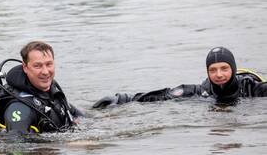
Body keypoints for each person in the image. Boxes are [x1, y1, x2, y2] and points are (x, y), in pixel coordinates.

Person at [93, 47, 267, 108]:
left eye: (224, 68)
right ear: (207, 72)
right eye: (213, 70)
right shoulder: (202, 91)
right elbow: (163, 95)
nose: (219, 74)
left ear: (233, 69)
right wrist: (124, 98)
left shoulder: (251, 88)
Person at [0, 41, 83, 134]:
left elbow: (75, 113)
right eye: (37, 66)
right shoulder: (19, 107)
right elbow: (16, 146)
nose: (45, 72)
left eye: (49, 64)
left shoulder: (51, 89)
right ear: (25, 67)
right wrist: (66, 144)